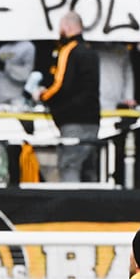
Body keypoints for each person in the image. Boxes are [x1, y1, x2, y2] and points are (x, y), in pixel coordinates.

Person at [36, 13, 102, 182]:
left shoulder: (68, 50)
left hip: (73, 118)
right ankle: (93, 207)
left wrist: (43, 96)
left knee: (69, 165)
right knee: (89, 169)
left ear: (67, 27)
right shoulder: (91, 52)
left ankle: (72, 207)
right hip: (93, 119)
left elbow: (60, 84)